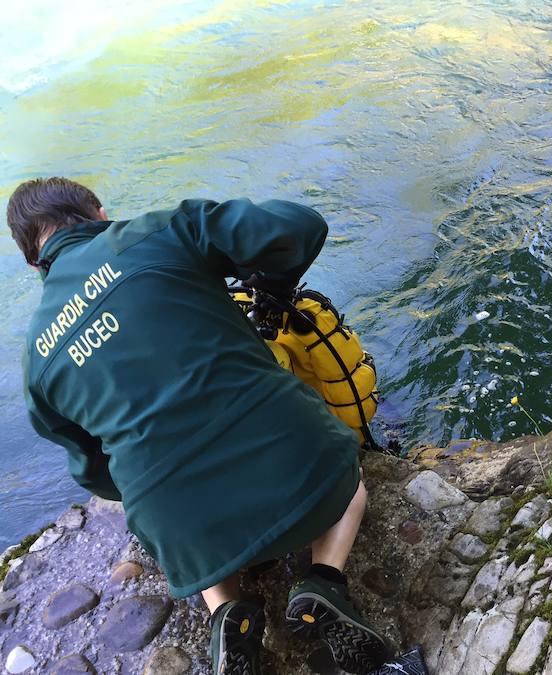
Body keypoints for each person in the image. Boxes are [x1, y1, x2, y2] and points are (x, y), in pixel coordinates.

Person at [6, 177, 391, 675]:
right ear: (100, 214)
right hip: (296, 469)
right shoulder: (161, 231)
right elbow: (299, 226)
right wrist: (271, 285)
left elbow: (96, 476)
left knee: (173, 511)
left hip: (185, 534)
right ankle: (323, 581)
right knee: (351, 479)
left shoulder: (37, 356)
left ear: (33, 262)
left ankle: (226, 613)